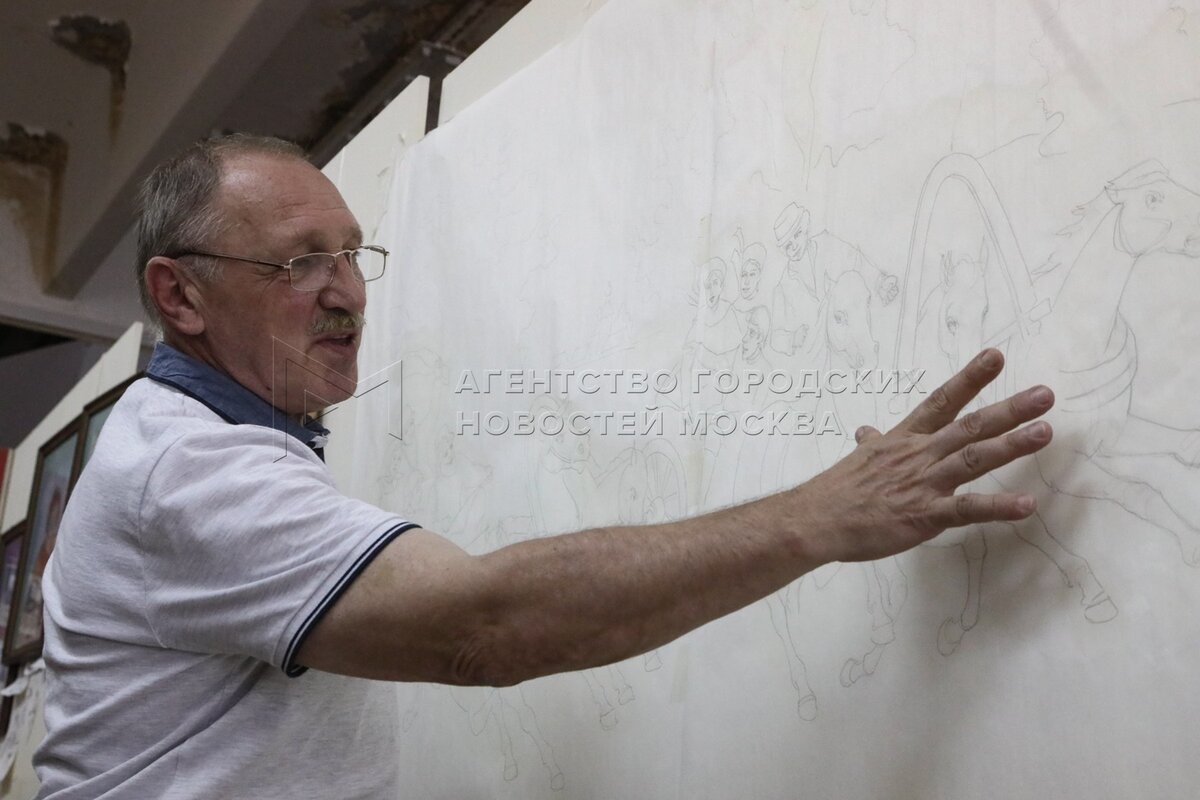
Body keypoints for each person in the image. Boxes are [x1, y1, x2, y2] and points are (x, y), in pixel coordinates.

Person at [35, 134, 1056, 798]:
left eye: (352, 254)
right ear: (180, 297)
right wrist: (819, 515)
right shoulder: (187, 467)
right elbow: (482, 626)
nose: (347, 292)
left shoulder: (221, 440)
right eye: (300, 261)